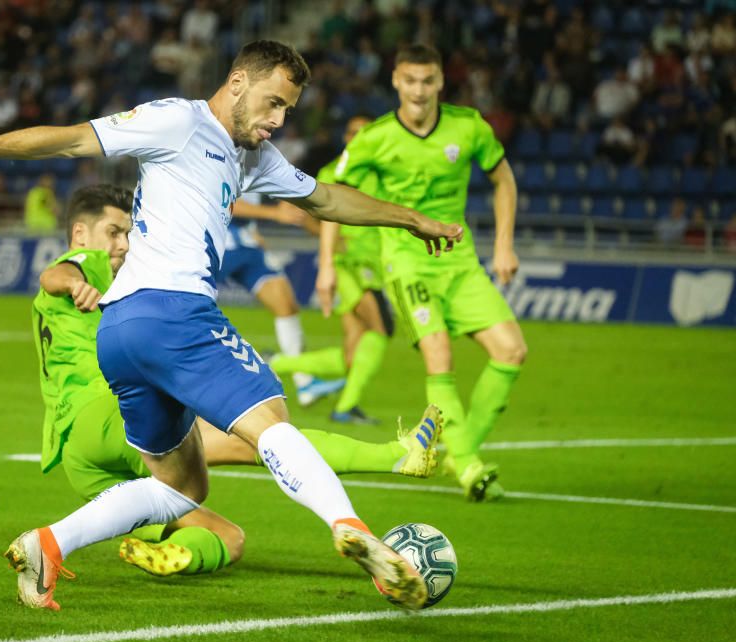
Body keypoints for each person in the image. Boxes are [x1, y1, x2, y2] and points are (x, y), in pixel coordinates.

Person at [0, 39, 462, 612]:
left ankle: (49, 543)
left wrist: (412, 220)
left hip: (122, 334)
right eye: (272, 103)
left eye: (288, 111)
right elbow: (74, 138)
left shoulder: (253, 156)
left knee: (182, 486)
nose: (277, 120)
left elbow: (324, 199)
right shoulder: (177, 120)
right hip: (174, 312)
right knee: (270, 419)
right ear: (238, 83)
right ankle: (351, 527)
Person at [28, 184, 443, 590]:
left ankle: (171, 552)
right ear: (81, 233)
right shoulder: (87, 262)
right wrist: (73, 282)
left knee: (225, 536)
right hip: (105, 416)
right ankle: (396, 455)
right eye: (114, 232)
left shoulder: (96, 285)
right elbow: (55, 273)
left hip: (78, 456)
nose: (123, 244)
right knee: (260, 438)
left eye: (128, 233)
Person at [326, 44, 527, 502]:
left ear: (440, 82)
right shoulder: (374, 138)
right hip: (406, 260)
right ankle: (469, 465)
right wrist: (326, 263)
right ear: (396, 80)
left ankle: (461, 449)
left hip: (460, 262)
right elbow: (332, 195)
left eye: (428, 80)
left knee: (512, 351)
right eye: (410, 80)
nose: (419, 90)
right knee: (438, 353)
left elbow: (504, 179)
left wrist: (503, 244)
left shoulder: (468, 126)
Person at [269, 115, 394, 425]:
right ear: (346, 136)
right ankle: (346, 406)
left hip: (374, 264)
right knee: (382, 327)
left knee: (353, 353)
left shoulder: (380, 173)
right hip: (349, 267)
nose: (358, 137)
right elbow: (311, 214)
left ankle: (276, 363)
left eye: (364, 132)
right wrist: (333, 246)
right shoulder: (333, 172)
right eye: (352, 131)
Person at [226, 195, 346, 407]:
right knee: (192, 308)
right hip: (211, 243)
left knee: (286, 305)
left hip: (245, 243)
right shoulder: (222, 161)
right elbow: (224, 201)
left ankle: (305, 383)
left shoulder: (253, 164)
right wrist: (274, 213)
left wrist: (253, 230)